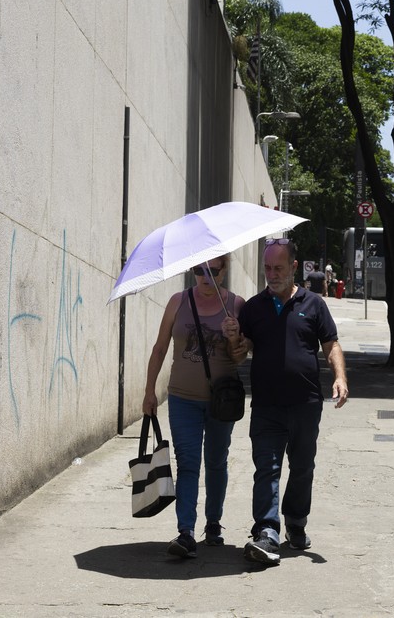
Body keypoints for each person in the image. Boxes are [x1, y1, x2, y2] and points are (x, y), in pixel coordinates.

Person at [224, 238, 349, 566]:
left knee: (302, 468)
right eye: (267, 268)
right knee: (267, 468)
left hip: (306, 403)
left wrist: (340, 377)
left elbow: (331, 343)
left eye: (278, 268)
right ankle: (266, 532)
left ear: (294, 267)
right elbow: (239, 355)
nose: (272, 274)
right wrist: (233, 339)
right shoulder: (252, 308)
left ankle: (296, 521)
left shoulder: (314, 304)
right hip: (266, 405)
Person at [142, 254, 245, 559]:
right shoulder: (178, 301)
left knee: (216, 461)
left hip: (221, 401)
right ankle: (185, 531)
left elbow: (241, 357)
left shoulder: (237, 305)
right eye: (199, 270)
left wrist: (233, 336)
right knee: (187, 462)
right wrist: (149, 391)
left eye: (212, 271)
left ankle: (213, 523)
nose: (205, 277)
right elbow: (160, 347)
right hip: (182, 397)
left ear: (223, 271)